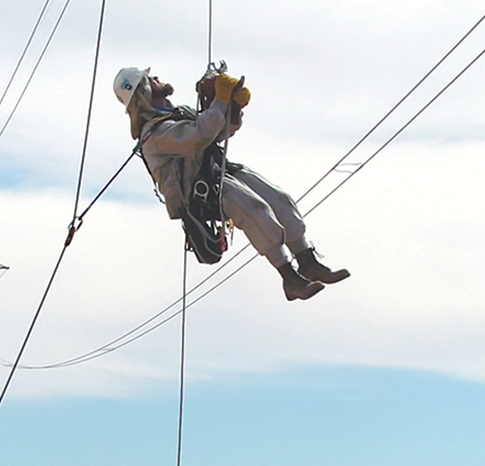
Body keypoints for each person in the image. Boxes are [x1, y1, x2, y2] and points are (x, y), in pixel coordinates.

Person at [114, 66, 349, 301]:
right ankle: (290, 278)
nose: (156, 79)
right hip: (197, 191)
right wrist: (220, 100)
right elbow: (200, 135)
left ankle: (307, 261)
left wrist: (231, 108)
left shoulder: (175, 114)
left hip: (215, 172)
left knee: (279, 199)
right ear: (142, 90)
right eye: (149, 79)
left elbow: (217, 131)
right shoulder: (154, 134)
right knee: (255, 209)